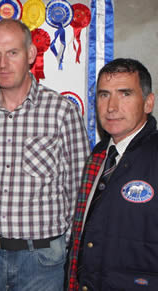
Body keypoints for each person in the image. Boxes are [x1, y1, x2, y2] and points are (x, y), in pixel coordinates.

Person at [0, 19, 90, 291]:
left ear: (31, 54)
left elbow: (81, 189)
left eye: (12, 52)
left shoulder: (62, 112)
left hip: (42, 262)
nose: (3, 63)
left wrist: (61, 245)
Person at [67, 58, 157, 290]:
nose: (112, 107)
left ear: (148, 103)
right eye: (104, 95)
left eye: (125, 94)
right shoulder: (99, 155)